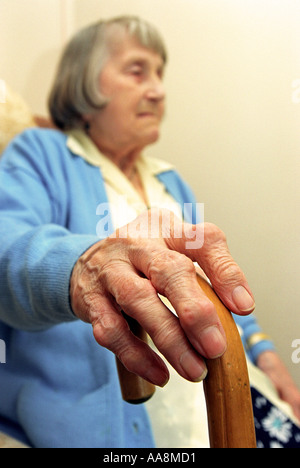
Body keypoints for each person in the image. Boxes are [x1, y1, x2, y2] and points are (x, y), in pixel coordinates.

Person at [0, 16, 298, 448]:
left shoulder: (169, 180)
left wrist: (269, 359)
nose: (158, 90)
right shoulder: (40, 152)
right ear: (84, 83)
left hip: (227, 403)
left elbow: (222, 291)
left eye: (160, 74)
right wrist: (85, 267)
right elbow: (7, 253)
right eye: (137, 71)